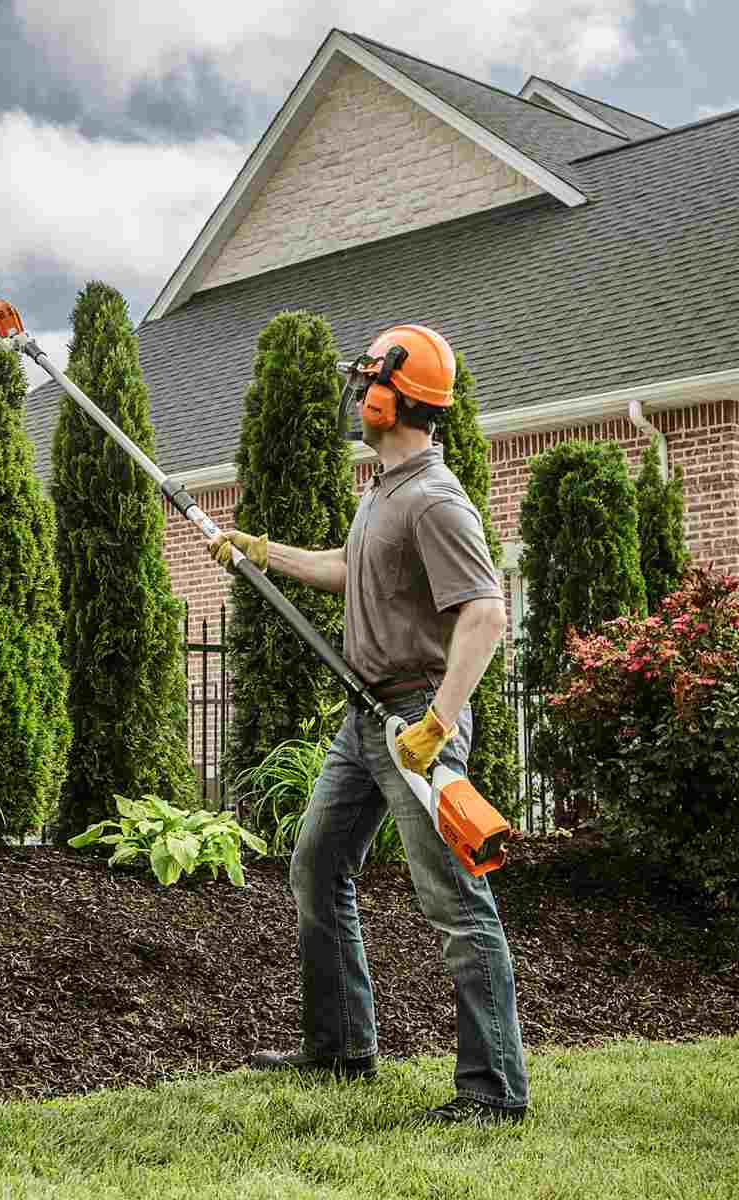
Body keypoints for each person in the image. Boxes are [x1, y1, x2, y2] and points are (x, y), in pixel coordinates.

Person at [210, 323, 527, 1125]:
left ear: (395, 397)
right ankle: (342, 1046)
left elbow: (486, 613)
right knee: (317, 863)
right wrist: (259, 552)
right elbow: (352, 570)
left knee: (458, 903)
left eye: (368, 384)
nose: (359, 397)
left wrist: (439, 724)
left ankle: (494, 1092)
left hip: (416, 715)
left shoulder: (435, 499)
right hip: (366, 719)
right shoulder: (386, 488)